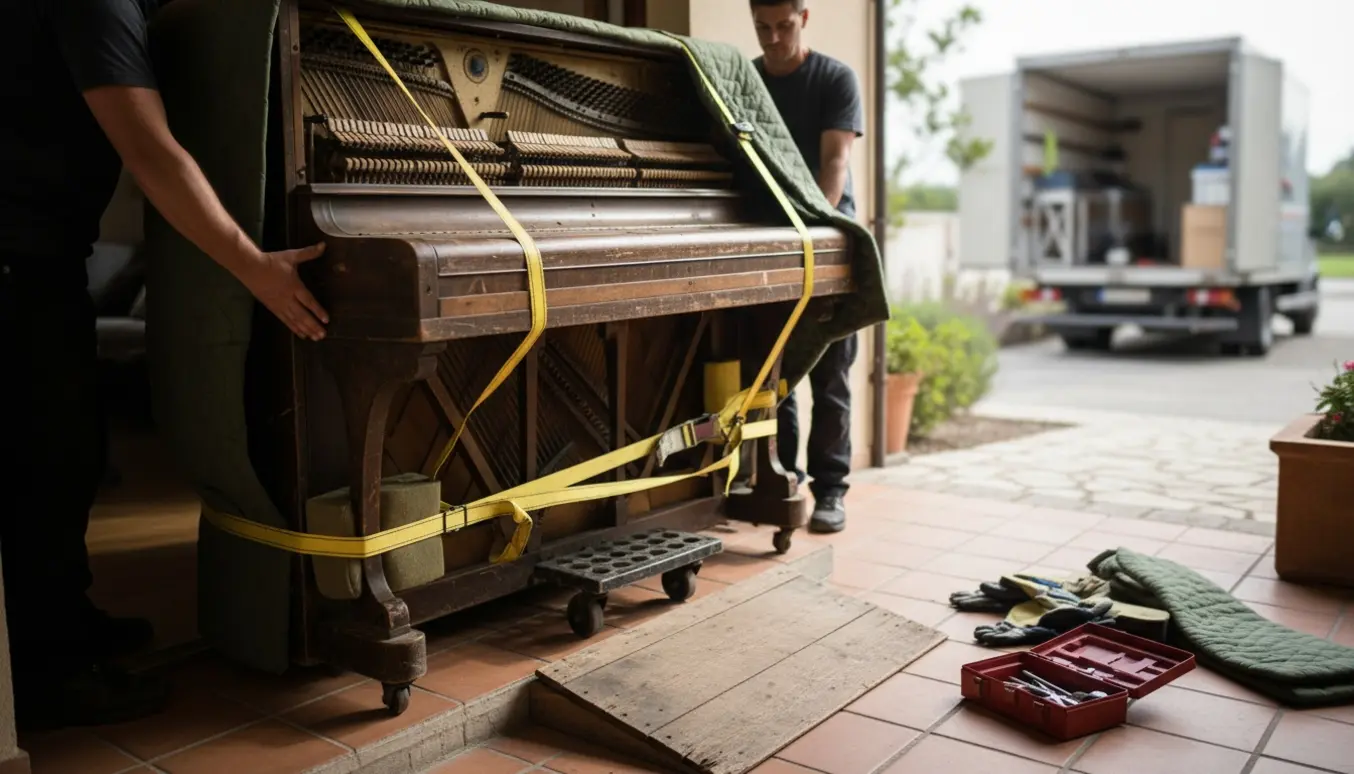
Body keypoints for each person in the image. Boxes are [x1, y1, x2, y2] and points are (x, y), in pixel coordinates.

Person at [2, 0, 329, 730]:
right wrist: (254, 266)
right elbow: (150, 151)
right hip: (18, 262)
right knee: (45, 466)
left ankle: (67, 618)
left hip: (43, 261)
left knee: (70, 454)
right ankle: (52, 673)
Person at [750, 0, 864, 534]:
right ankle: (785, 480)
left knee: (831, 377)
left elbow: (834, 166)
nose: (773, 39)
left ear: (804, 17)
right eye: (762, 28)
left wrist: (812, 240)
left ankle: (831, 491)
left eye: (783, 26)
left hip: (828, 243)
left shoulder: (836, 79)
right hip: (770, 248)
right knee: (778, 377)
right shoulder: (747, 82)